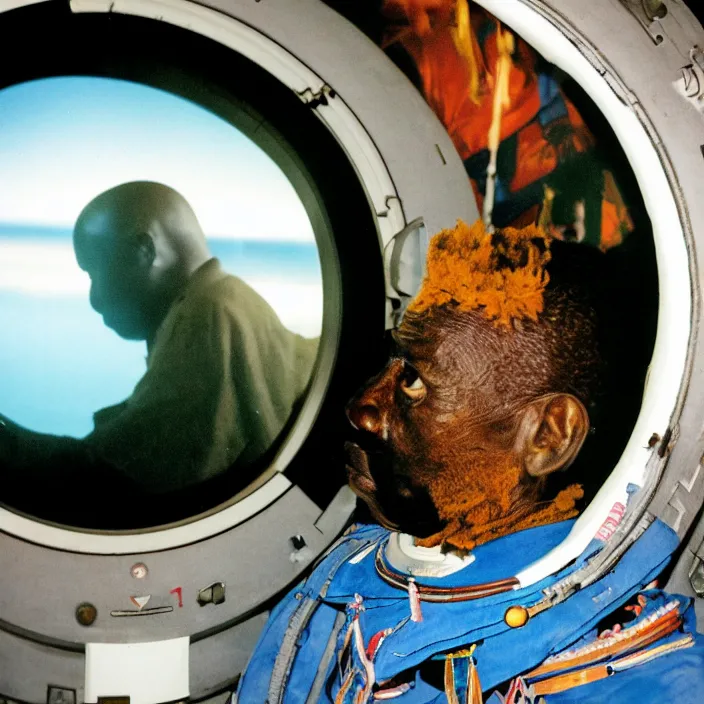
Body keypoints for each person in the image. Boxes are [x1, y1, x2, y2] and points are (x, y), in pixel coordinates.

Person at [233, 220, 704, 703]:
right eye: (390, 362)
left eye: (413, 381)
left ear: (547, 436)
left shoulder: (650, 683)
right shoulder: (335, 585)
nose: (362, 409)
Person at [0, 181, 318, 525]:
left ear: (143, 250)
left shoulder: (208, 314)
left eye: (94, 272)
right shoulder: (228, 300)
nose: (94, 299)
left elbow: (117, 478)